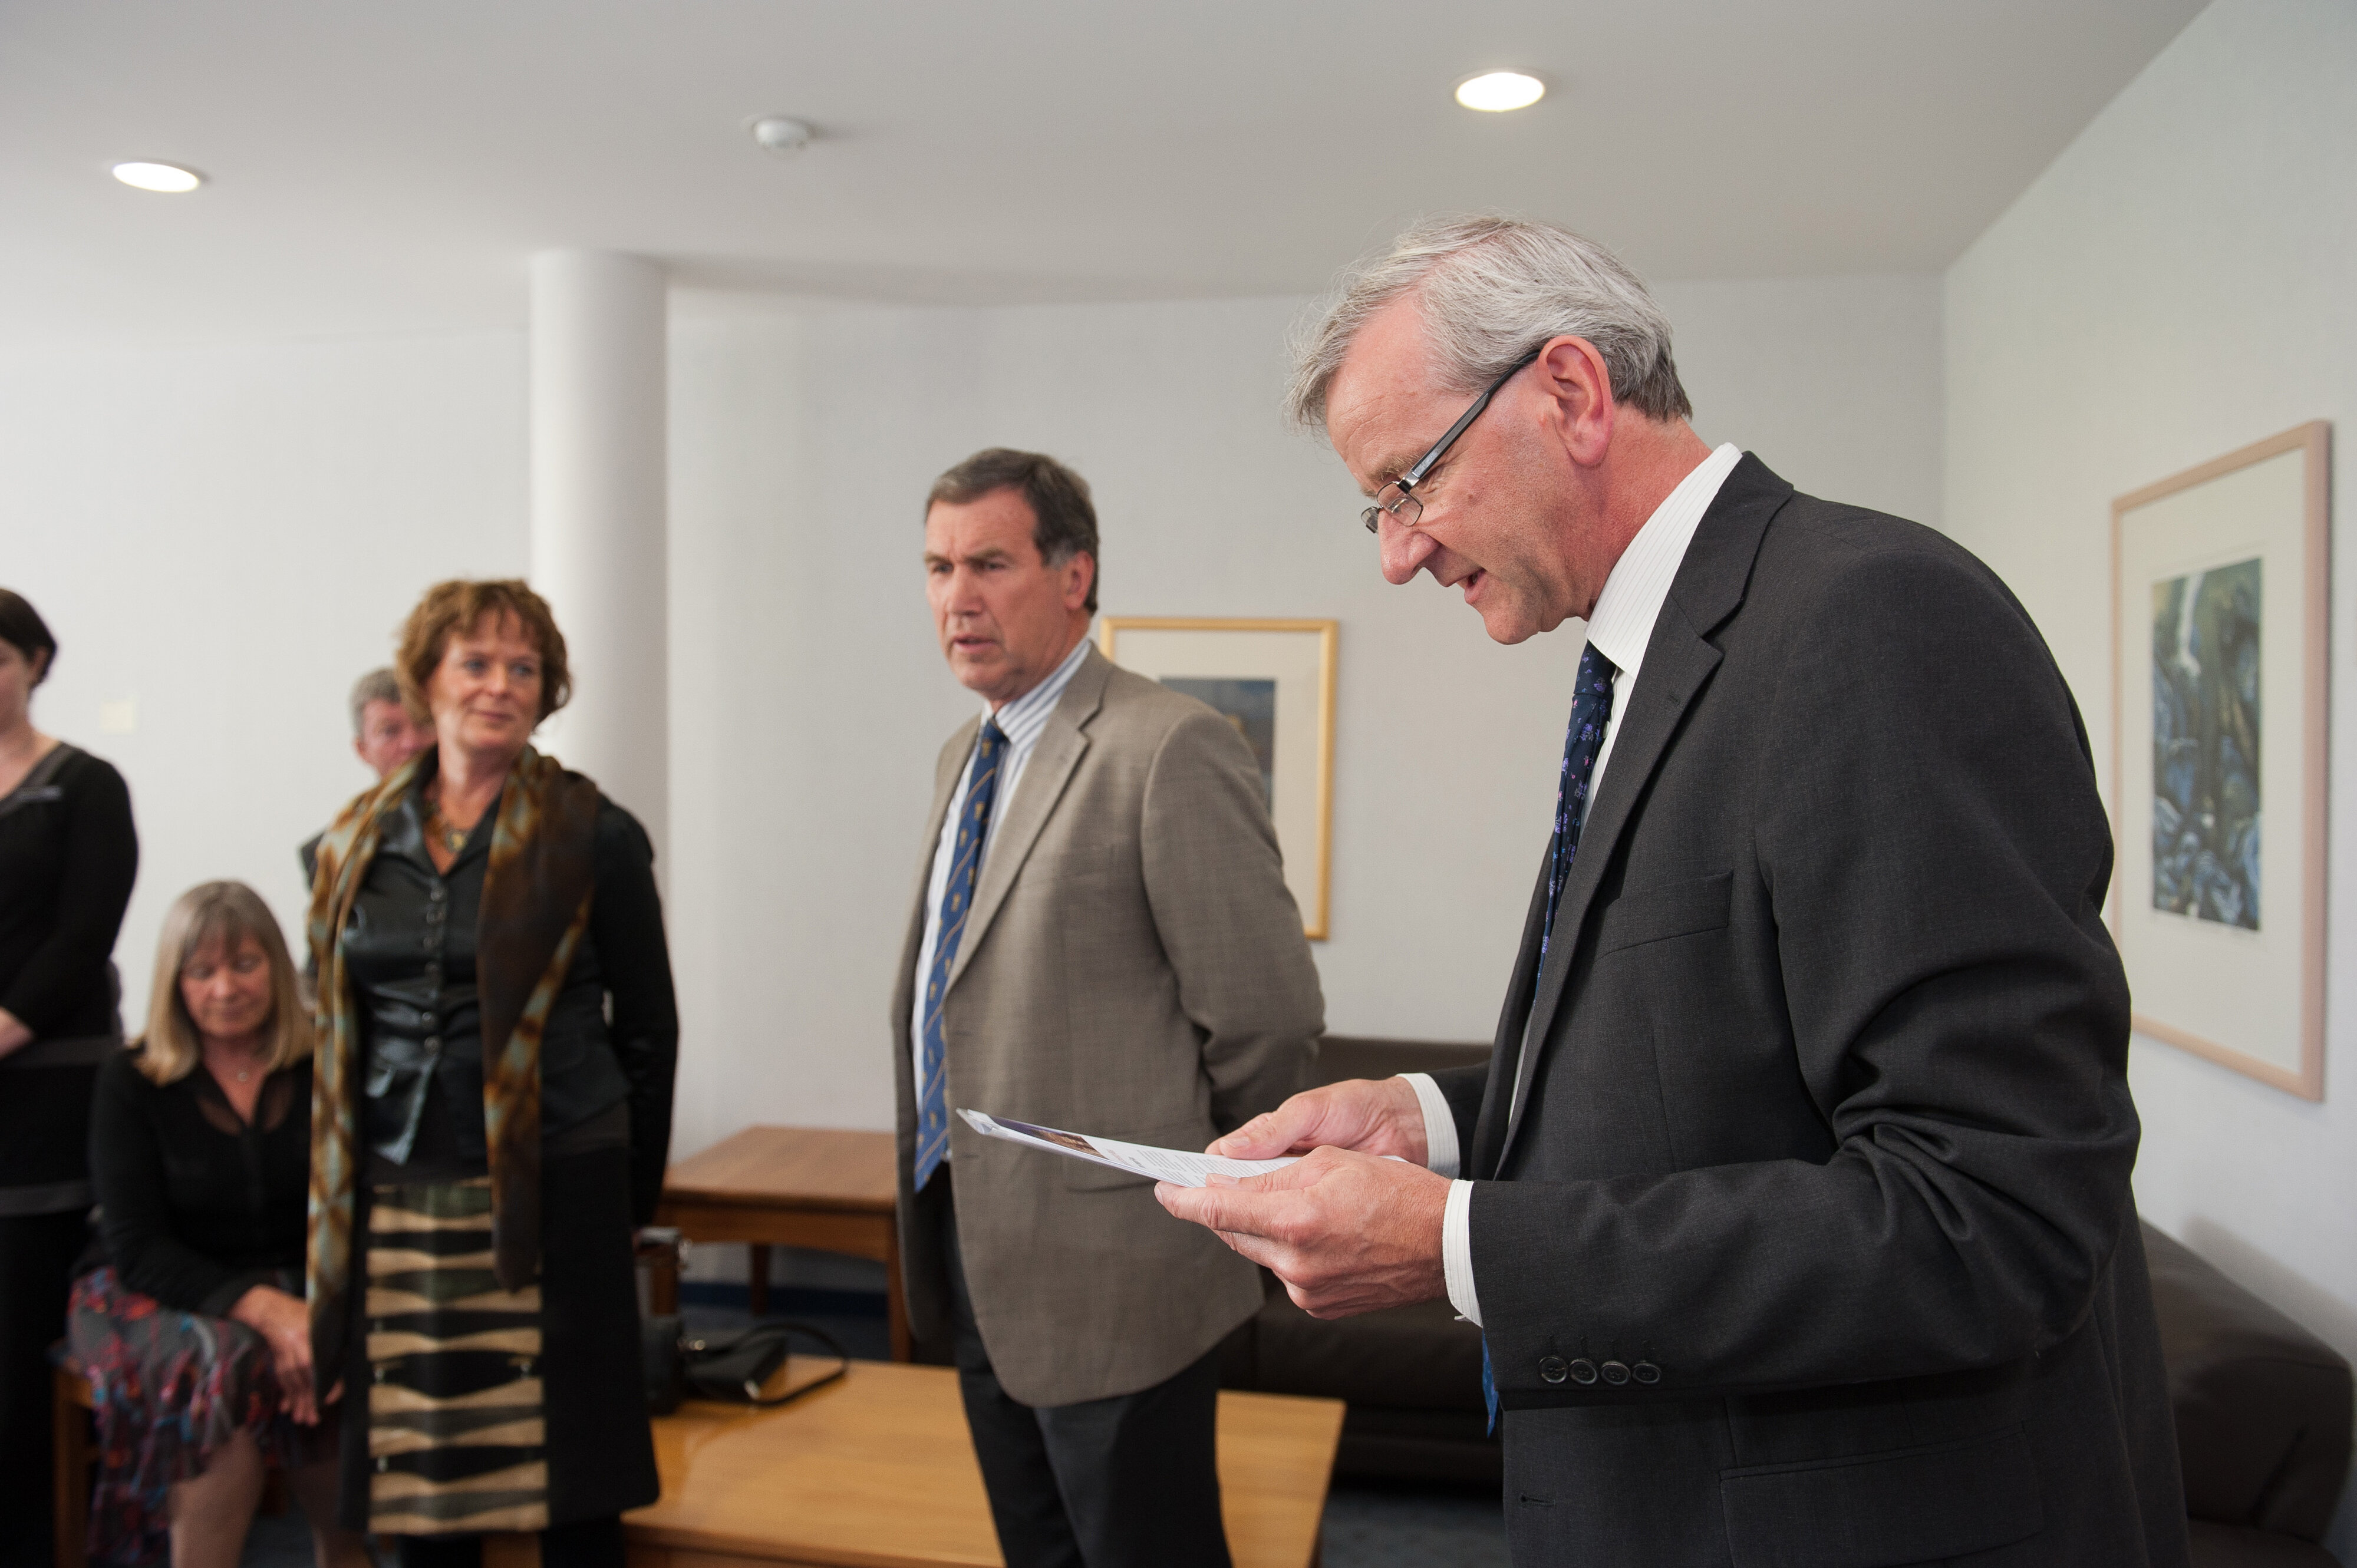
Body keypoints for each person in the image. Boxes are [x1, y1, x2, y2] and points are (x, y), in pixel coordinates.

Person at [1156, 217, 2189, 1567]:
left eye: (1410, 484)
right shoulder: (1655, 665)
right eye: (1379, 508)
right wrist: (1431, 1122)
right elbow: (1711, 1058)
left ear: (1572, 395)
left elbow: (1986, 1212)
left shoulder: (1870, 622)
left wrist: (1464, 1249)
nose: (1397, 555)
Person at [895, 448, 1324, 1568]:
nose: (957, 596)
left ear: (1075, 574)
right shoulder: (962, 756)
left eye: (989, 562)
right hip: (974, 1245)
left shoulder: (1166, 744)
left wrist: (1217, 1199)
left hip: (1122, 1274)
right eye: (938, 567)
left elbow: (1266, 1018)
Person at [306, 579, 677, 1566]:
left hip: (560, 1172)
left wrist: (631, 1196)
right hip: (400, 1184)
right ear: (426, 679)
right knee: (433, 1476)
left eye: (524, 669)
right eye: (475, 663)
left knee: (572, 1471)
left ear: (547, 691)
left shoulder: (594, 832)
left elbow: (648, 1029)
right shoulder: (349, 845)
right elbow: (334, 1022)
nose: (500, 686)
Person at [72, 882, 369, 1568]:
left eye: (245, 963)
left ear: (276, 963)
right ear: (175, 983)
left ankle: (346, 1556)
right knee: (227, 1366)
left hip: (292, 1278)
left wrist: (314, 1314)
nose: (225, 988)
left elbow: (354, 1211)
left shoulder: (326, 1060)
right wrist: (274, 1313)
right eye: (201, 971)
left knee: (335, 1349)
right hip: (148, 1288)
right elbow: (138, 1247)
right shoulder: (130, 1078)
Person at [0, 587, 139, 1567]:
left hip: (46, 1097)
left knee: (20, 1344)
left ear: (34, 664)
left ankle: (41, 1538)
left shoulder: (85, 785)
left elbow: (85, 935)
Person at [301, 667, 432, 887]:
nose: (411, 743)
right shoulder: (330, 856)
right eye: (390, 731)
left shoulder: (487, 825)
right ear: (362, 750)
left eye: (422, 724)